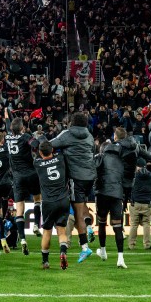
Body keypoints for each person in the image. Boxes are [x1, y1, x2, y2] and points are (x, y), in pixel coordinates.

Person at [50, 112, 97, 263]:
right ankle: (89, 226)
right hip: (90, 176)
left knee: (76, 213)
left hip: (75, 177)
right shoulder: (89, 135)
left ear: (71, 122)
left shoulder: (67, 134)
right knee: (82, 204)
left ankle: (85, 248)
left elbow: (50, 145)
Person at [4, 115, 42, 253]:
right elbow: (36, 144)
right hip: (31, 174)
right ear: (21, 128)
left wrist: (7, 116)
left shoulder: (7, 137)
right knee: (37, 199)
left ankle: (23, 238)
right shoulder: (25, 136)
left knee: (19, 208)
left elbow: (9, 124)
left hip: (17, 177)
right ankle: (37, 225)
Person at [34, 140, 71, 270]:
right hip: (63, 199)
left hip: (48, 202)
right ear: (52, 150)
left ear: (40, 152)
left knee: (47, 232)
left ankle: (45, 262)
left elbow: (37, 155)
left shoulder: (37, 163)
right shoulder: (61, 158)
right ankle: (63, 252)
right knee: (61, 230)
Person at [93, 139, 128, 268]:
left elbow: (93, 169)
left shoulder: (100, 157)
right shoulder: (121, 160)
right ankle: (120, 258)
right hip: (117, 194)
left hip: (102, 192)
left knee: (102, 222)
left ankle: (103, 251)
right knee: (118, 226)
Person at [115, 127, 151, 210]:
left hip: (118, 179)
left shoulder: (116, 147)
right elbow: (150, 157)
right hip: (132, 180)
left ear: (115, 136)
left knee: (117, 207)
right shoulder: (136, 146)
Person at [128, 158, 151, 251]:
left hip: (135, 203)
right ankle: (147, 245)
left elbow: (129, 188)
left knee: (134, 224)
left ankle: (131, 245)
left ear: (137, 166)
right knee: (146, 224)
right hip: (147, 203)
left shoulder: (134, 176)